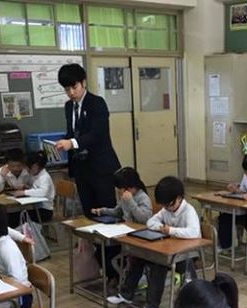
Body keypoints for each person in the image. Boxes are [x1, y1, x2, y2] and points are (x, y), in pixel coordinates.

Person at [107, 176, 200, 308]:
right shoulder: (166, 209)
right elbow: (151, 222)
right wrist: (161, 227)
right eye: (164, 206)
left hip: (184, 256)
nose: (166, 209)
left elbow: (194, 232)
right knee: (139, 257)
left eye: (168, 205)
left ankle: (152, 305)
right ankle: (126, 294)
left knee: (158, 263)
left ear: (178, 198)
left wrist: (170, 230)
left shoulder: (188, 211)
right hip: (168, 250)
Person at [54, 63, 121, 215]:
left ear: (83, 82)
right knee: (87, 211)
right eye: (67, 89)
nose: (71, 93)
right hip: (81, 168)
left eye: (74, 87)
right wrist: (62, 142)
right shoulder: (69, 106)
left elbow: (97, 134)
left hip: (100, 167)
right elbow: (73, 132)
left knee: (106, 211)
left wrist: (71, 143)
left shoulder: (97, 103)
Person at [92, 167, 154, 282]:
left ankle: (122, 278)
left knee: (110, 255)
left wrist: (131, 202)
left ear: (129, 187)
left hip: (138, 237)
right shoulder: (125, 197)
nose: (119, 192)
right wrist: (103, 210)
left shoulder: (143, 198)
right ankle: (115, 277)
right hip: (124, 233)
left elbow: (144, 219)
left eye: (120, 189)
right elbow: (118, 211)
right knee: (100, 250)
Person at [13, 151, 55, 223]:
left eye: (27, 168)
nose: (26, 170)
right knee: (14, 215)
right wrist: (26, 186)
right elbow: (34, 187)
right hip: (36, 208)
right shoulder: (35, 175)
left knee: (17, 218)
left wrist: (24, 192)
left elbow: (42, 192)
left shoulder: (44, 177)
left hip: (45, 211)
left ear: (35, 166)